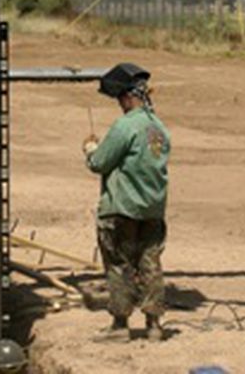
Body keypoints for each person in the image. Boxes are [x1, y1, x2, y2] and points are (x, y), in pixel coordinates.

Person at [82, 61, 170, 342]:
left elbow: (99, 162)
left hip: (122, 208)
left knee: (119, 264)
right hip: (152, 209)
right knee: (150, 264)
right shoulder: (158, 128)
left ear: (128, 96)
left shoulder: (125, 126)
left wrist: (90, 148)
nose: (119, 104)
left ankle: (120, 326)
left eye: (120, 98)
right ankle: (154, 324)